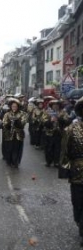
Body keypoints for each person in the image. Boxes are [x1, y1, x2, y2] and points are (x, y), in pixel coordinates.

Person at [60, 96, 83, 247]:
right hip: (77, 172)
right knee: (78, 202)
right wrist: (65, 171)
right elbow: (65, 152)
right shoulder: (71, 129)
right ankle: (79, 222)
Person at [2, 98, 28, 168]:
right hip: (9, 134)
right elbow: (4, 124)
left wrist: (16, 121)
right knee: (9, 148)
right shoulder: (7, 114)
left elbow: (22, 124)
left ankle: (15, 162)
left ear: (18, 107)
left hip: (18, 135)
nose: (14, 108)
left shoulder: (23, 114)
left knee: (16, 149)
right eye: (13, 106)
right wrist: (9, 123)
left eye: (15, 106)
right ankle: (9, 161)